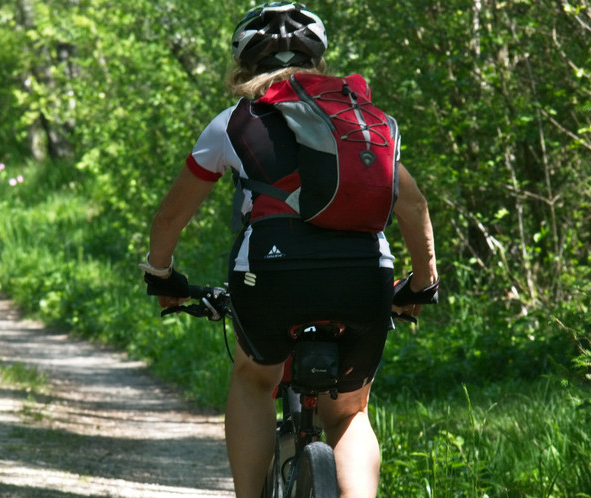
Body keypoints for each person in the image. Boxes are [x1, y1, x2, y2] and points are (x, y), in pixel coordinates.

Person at [139, 3, 438, 497]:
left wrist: (161, 275)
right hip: (365, 274)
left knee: (255, 378)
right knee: (349, 412)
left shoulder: (233, 122)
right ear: (317, 62)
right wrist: (422, 285)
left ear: (243, 65)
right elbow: (415, 207)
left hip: (272, 273)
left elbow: (170, 218)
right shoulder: (367, 122)